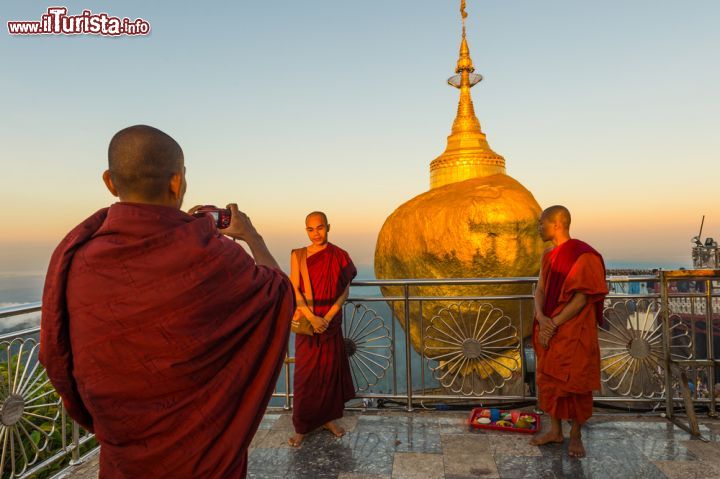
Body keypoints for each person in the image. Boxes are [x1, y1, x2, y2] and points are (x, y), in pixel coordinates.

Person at [40, 125, 294, 478]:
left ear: (109, 182)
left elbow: (57, 359)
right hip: (203, 458)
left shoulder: (79, 257)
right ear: (177, 182)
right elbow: (279, 293)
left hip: (124, 457)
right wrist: (251, 235)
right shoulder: (216, 256)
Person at [529, 205, 608, 458]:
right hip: (550, 326)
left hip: (573, 330)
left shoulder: (583, 255)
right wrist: (541, 317)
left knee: (576, 383)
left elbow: (582, 297)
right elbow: (540, 289)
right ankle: (555, 431)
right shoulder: (548, 255)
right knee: (550, 380)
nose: (539, 227)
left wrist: (554, 323)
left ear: (557, 224)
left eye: (541, 223)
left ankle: (575, 435)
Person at [287, 211, 357, 447]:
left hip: (330, 323)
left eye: (320, 228)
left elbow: (344, 291)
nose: (316, 233)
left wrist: (326, 318)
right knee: (305, 377)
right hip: (309, 325)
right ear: (306, 230)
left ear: (328, 226)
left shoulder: (340, 256)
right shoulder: (298, 255)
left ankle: (327, 419)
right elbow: (295, 290)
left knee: (328, 374)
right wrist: (312, 318)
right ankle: (302, 426)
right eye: (310, 229)